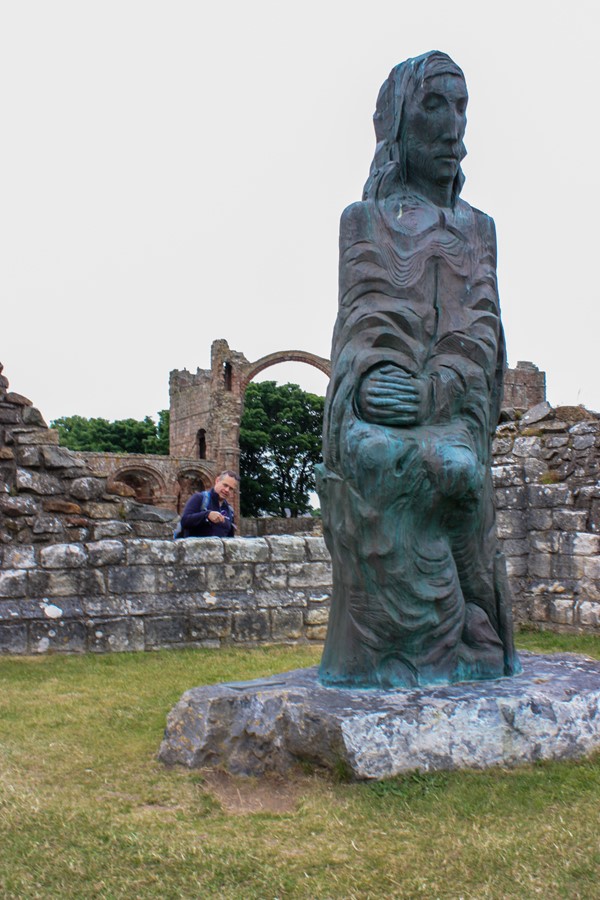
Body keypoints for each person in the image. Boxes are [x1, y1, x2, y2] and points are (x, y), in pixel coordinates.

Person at [317, 51, 520, 689]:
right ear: (399, 121)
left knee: (455, 467)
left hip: (452, 409)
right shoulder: (365, 221)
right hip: (381, 403)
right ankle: (397, 649)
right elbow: (364, 316)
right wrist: (374, 376)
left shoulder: (477, 230)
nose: (453, 125)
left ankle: (457, 640)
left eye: (461, 107)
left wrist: (436, 392)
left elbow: (481, 330)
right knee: (374, 455)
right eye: (435, 105)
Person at [178, 471, 239, 538]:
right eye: (225, 485)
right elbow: (185, 521)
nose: (227, 490)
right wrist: (207, 515)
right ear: (217, 481)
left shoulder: (229, 510)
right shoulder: (199, 498)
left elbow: (230, 538)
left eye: (231, 489)